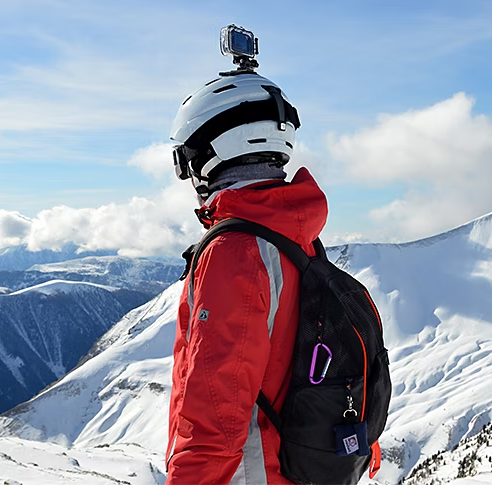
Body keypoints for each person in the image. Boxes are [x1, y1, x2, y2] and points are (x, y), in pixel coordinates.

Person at [165, 70, 329, 484]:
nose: (189, 175)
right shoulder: (296, 235)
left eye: (187, 159)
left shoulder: (235, 252)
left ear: (213, 152)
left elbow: (215, 419)